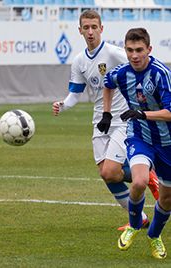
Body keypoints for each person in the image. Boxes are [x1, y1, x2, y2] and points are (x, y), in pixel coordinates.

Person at [52, 10, 159, 231]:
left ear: (101, 29)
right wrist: (63, 104)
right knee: (107, 174)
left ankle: (146, 182)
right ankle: (142, 215)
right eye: (86, 28)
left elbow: (143, 64)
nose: (90, 32)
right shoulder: (79, 61)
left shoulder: (115, 54)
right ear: (79, 30)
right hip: (100, 121)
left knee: (111, 170)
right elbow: (75, 93)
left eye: (94, 27)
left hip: (122, 120)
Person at [98, 27, 171, 259]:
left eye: (139, 50)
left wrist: (143, 114)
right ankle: (134, 225)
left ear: (149, 49)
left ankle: (154, 236)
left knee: (168, 199)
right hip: (140, 136)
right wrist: (106, 114)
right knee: (138, 181)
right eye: (129, 50)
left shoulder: (161, 74)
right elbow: (107, 84)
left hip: (167, 142)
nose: (134, 55)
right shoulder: (121, 72)